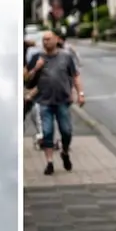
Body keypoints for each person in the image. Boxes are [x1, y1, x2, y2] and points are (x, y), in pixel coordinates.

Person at [25, 31, 84, 175]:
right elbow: (27, 80)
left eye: (49, 39)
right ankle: (49, 162)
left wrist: (80, 94)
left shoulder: (66, 56)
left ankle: (64, 152)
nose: (46, 42)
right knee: (47, 132)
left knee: (66, 131)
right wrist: (36, 69)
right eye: (44, 40)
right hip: (44, 101)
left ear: (56, 40)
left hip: (63, 100)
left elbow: (75, 76)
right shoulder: (36, 57)